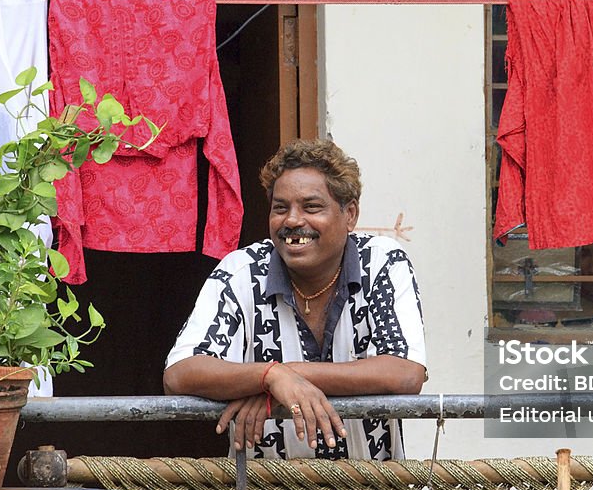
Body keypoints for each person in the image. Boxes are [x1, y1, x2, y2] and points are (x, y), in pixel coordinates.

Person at [164, 140, 427, 460]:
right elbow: (180, 373)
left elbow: (404, 372)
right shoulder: (242, 272)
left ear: (350, 214)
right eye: (280, 207)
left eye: (311, 206)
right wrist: (269, 376)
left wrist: (285, 376)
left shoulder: (382, 263)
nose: (292, 220)